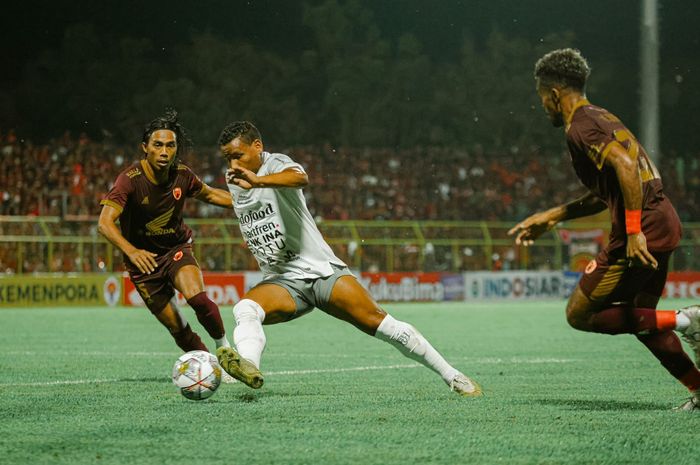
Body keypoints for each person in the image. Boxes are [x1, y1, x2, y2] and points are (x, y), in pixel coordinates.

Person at [213, 121, 481, 396]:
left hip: (321, 272)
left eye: (238, 155)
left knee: (383, 325)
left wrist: (258, 180)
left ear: (257, 147)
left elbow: (299, 177)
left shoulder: (275, 164)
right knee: (245, 309)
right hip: (283, 281)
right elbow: (235, 201)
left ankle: (453, 376)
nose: (233, 163)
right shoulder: (234, 178)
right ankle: (249, 368)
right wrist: (196, 189)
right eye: (227, 158)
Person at [509, 48, 700, 411]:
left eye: (541, 99)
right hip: (662, 219)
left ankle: (687, 319)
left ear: (553, 93)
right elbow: (608, 188)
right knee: (642, 319)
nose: (543, 107)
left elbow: (626, 167)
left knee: (579, 314)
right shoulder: (601, 116)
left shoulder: (580, 126)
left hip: (643, 227)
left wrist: (632, 231)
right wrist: (554, 215)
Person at [98, 110, 236, 370]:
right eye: (158, 145)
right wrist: (132, 251)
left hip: (176, 250)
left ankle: (225, 351)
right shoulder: (129, 180)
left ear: (176, 149)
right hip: (143, 264)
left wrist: (250, 202)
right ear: (145, 148)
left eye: (170, 145)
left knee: (197, 298)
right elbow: (104, 223)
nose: (164, 151)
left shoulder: (182, 175)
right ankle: (212, 369)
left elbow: (212, 196)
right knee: (178, 328)